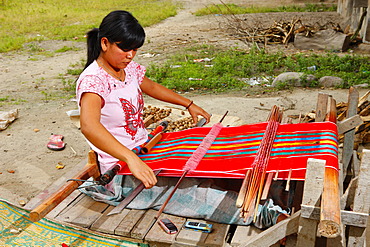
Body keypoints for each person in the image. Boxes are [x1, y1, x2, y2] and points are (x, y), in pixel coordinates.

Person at [76, 10, 211, 191]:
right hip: (120, 166)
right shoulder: (94, 81)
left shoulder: (127, 68)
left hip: (145, 147)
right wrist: (130, 159)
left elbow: (151, 87)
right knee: (195, 190)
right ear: (105, 43)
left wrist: (189, 104)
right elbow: (89, 126)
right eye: (125, 49)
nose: (131, 55)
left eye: (135, 49)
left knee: (203, 168)